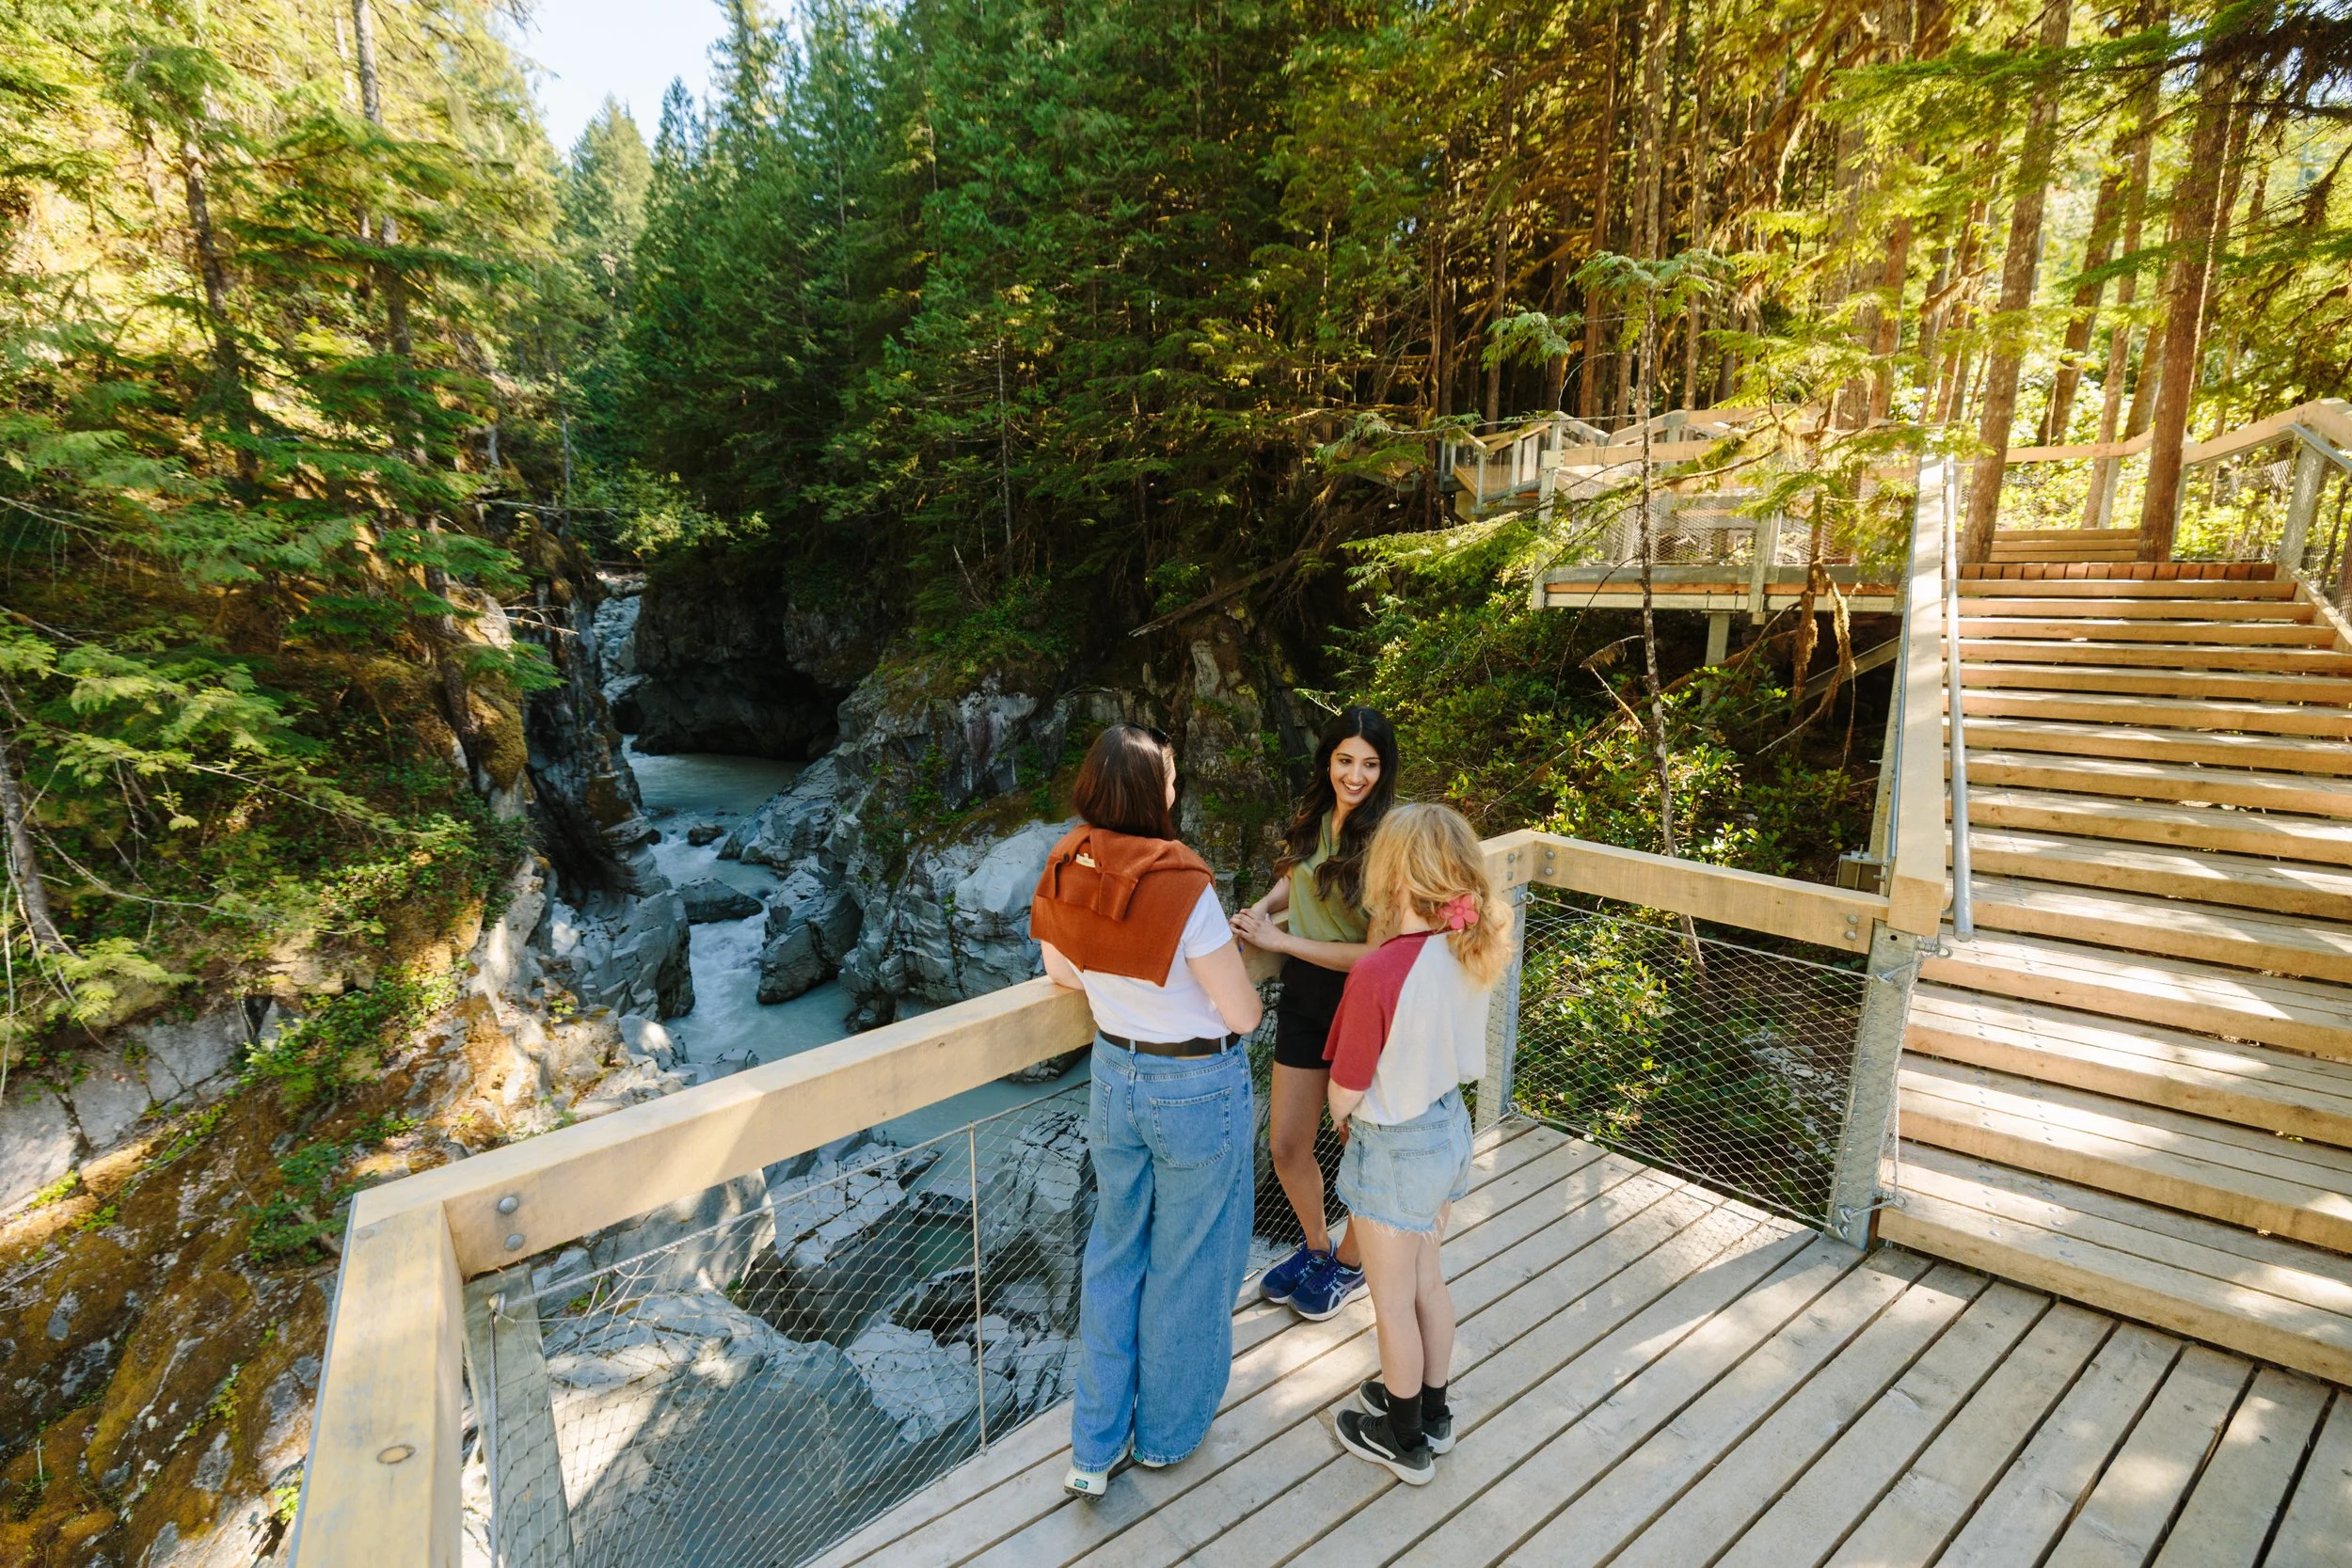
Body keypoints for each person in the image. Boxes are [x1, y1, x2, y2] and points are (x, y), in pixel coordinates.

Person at [1031, 723, 1264, 1497]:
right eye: (1167, 777)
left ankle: (1093, 1449)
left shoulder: (1068, 862)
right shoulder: (1183, 884)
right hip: (1193, 1084)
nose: (1175, 789)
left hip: (1114, 1077)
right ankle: (1163, 1437)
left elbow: (1062, 972)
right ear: (1144, 790)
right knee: (1188, 1265)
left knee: (1114, 1255)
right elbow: (1241, 1014)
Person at [1321, 802, 1511, 1486]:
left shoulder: (1379, 970)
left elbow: (1345, 1086)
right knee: (1428, 1282)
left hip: (1394, 1144)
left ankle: (1401, 1437)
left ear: (1393, 874)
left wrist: (1342, 1119)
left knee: (1391, 1301)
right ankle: (1433, 1410)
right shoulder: (1468, 946)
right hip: (1447, 1129)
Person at [1231, 706, 1398, 1320]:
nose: (1356, 776)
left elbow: (1376, 955)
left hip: (1361, 1004)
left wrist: (1281, 942)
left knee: (1362, 1145)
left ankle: (1351, 1266)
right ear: (1327, 760)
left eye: (1370, 764)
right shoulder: (1315, 817)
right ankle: (1317, 1246)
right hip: (1305, 994)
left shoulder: (1386, 843)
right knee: (1286, 1142)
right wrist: (1259, 910)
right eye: (1345, 760)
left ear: (1385, 769)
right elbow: (1292, 879)